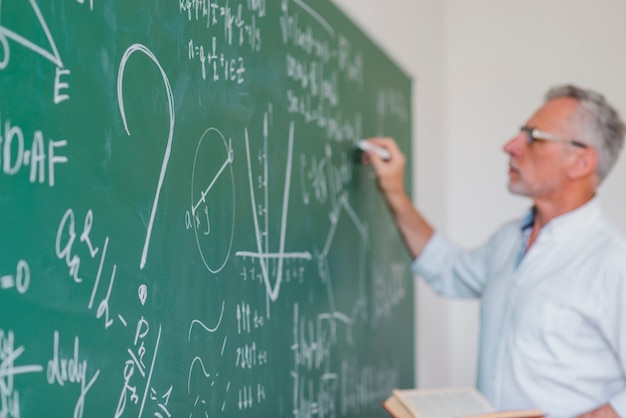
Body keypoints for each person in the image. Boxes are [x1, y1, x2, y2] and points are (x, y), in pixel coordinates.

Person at [363, 85, 626, 418]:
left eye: (534, 137)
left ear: (581, 162)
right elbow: (448, 269)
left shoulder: (613, 261)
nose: (510, 146)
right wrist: (395, 193)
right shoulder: (508, 240)